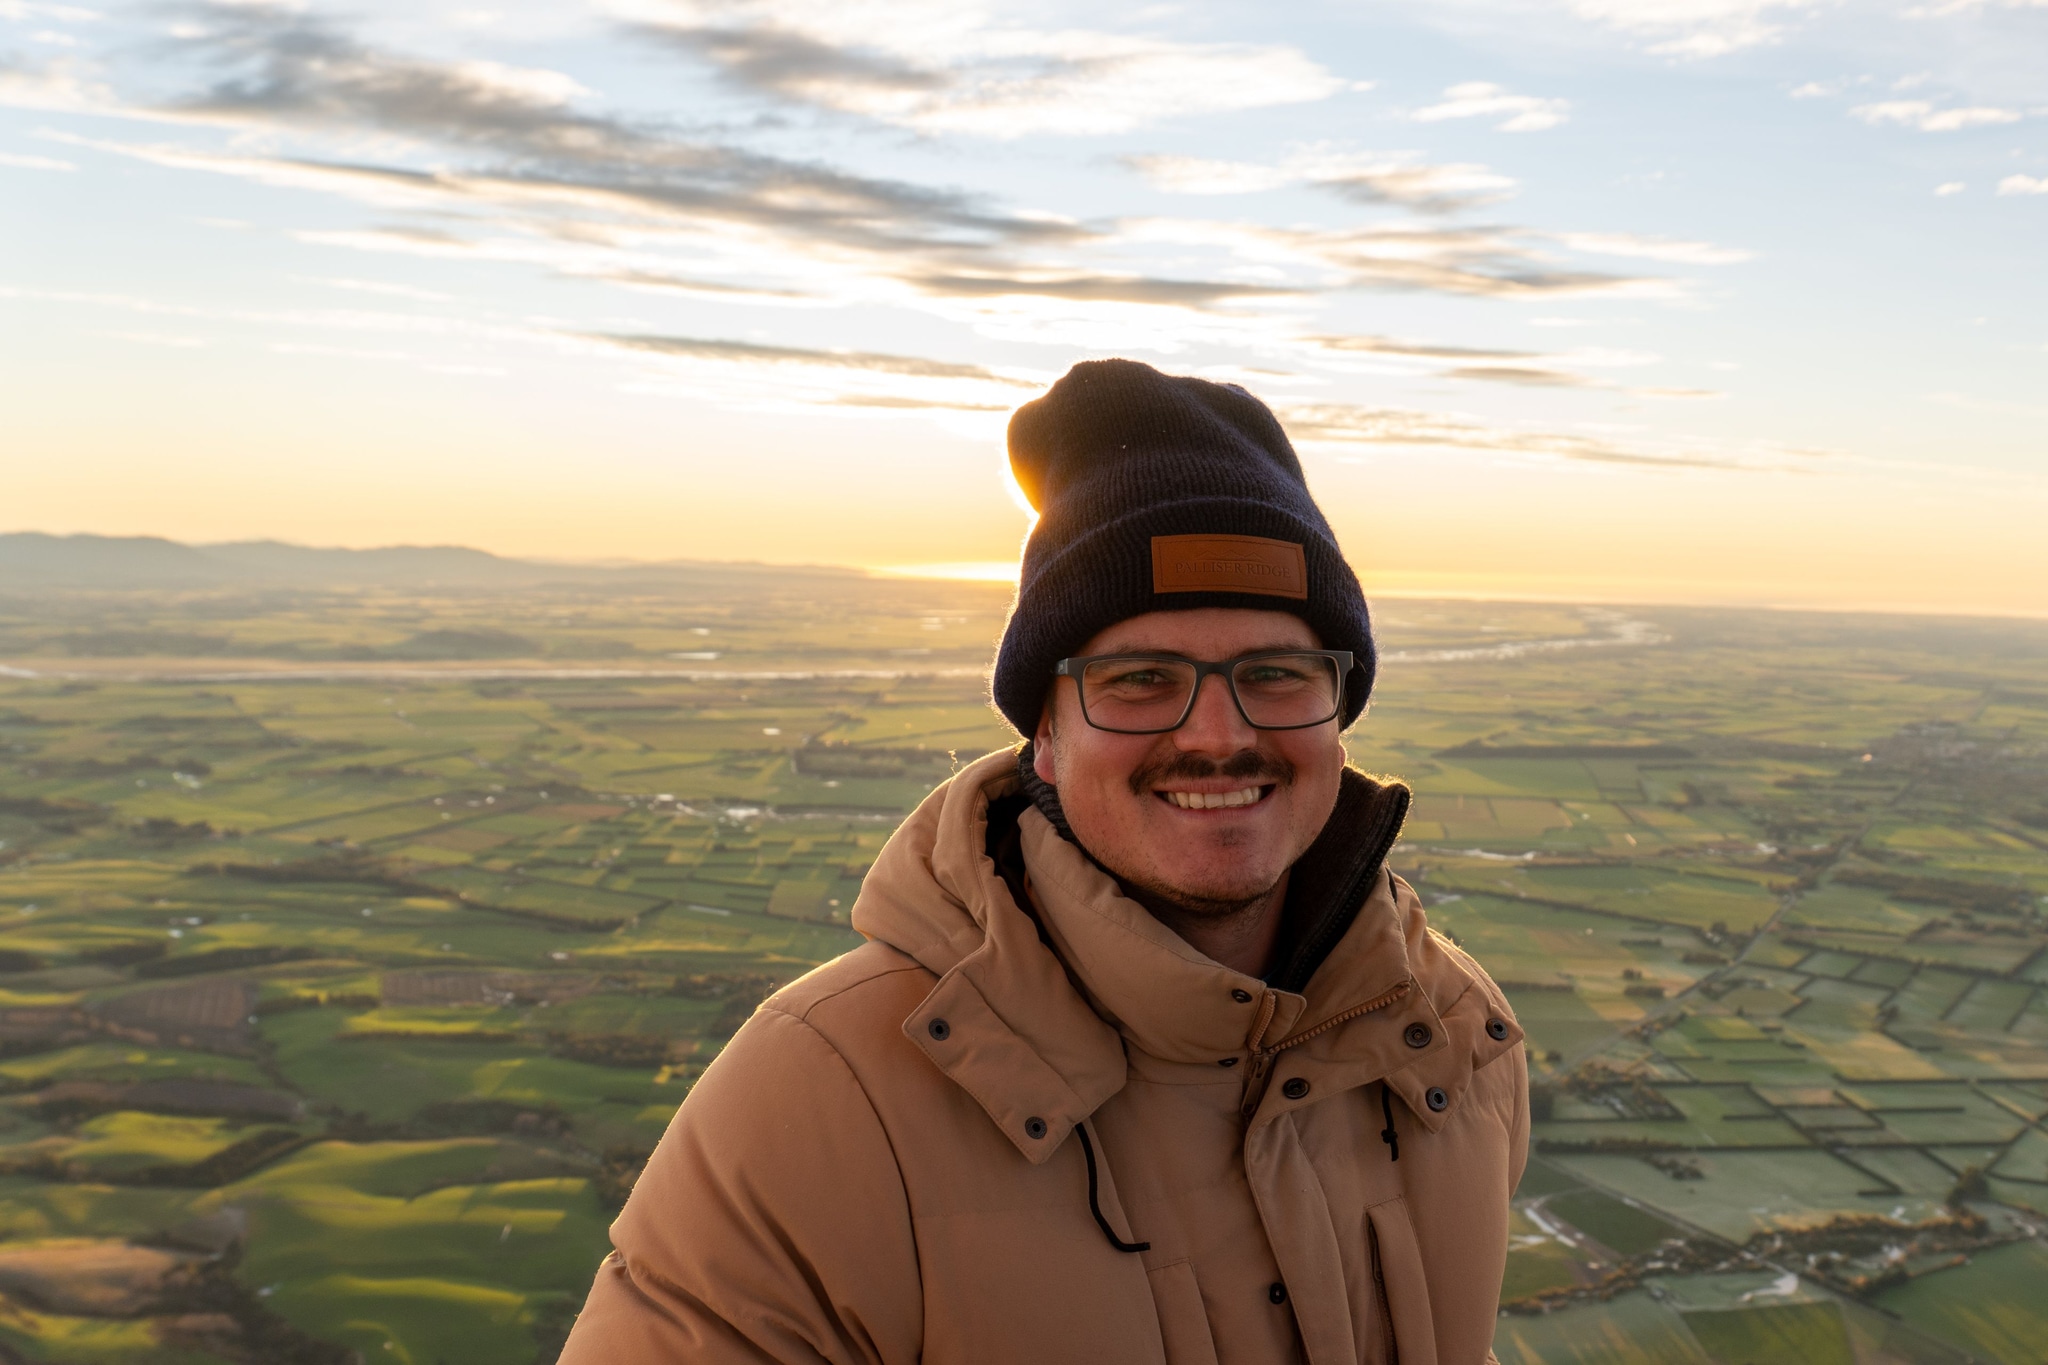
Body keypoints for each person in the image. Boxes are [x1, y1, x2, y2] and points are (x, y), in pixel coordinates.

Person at [560, 359, 1528, 1365]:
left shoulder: (1449, 1038)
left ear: (1338, 714)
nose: (1214, 733)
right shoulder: (825, 1093)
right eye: (1140, 679)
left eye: (1273, 675)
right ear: (1045, 741)